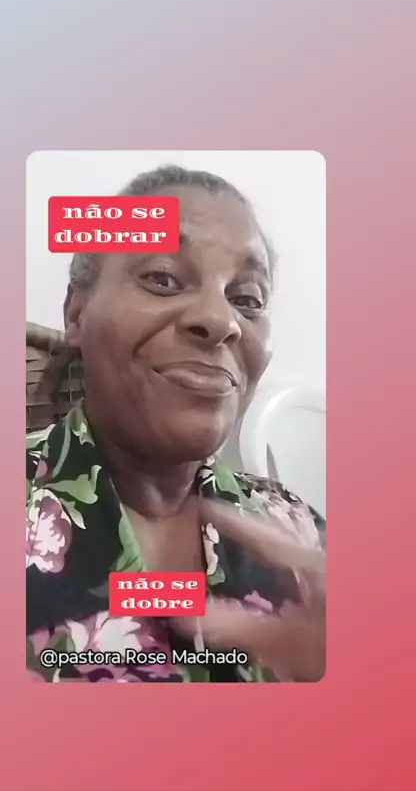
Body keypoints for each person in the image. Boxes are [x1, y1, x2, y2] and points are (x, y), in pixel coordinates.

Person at [26, 164, 326, 683]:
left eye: (247, 299)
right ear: (76, 314)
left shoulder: (296, 526)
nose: (222, 321)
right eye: (163, 278)